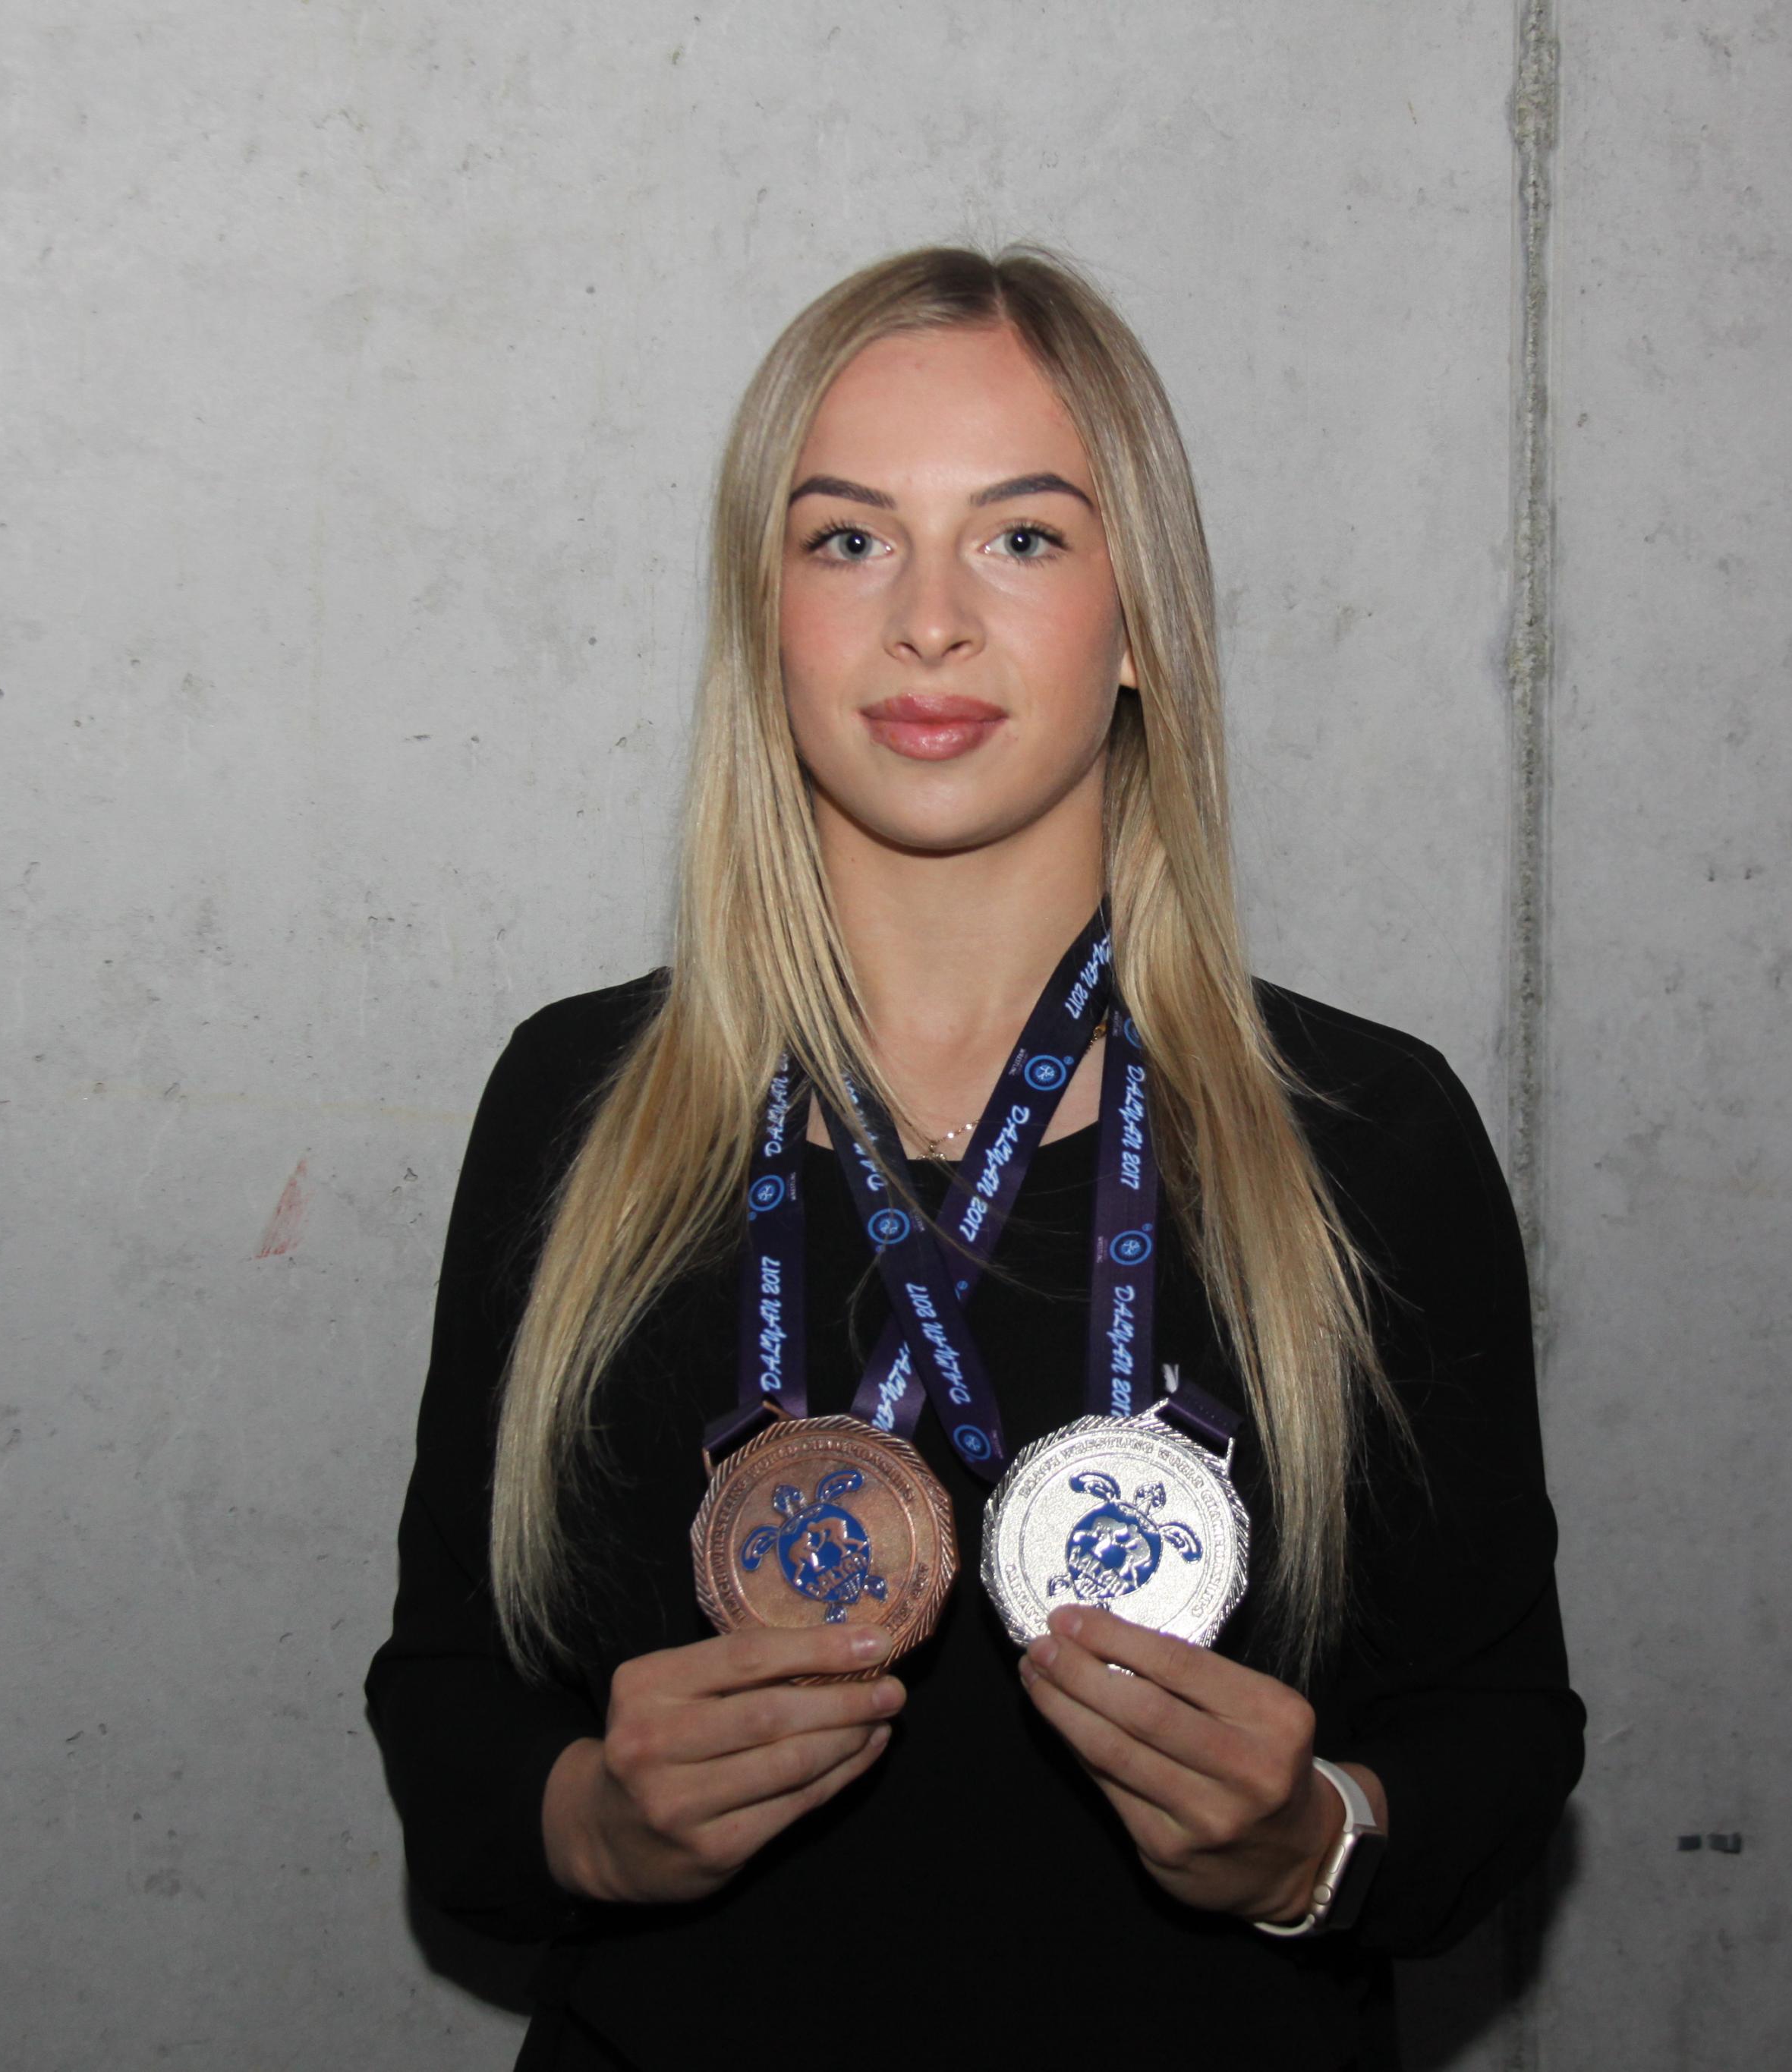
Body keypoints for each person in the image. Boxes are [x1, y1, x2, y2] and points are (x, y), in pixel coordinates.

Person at [365, 246, 1583, 2072]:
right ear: (763, 619)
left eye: (1020, 537)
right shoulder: (576, 1104)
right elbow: (450, 1699)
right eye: (846, 538)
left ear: (1140, 619)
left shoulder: (1363, 1137)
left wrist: (1312, 1844)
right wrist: (589, 1824)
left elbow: (1499, 1736)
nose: (927, 621)